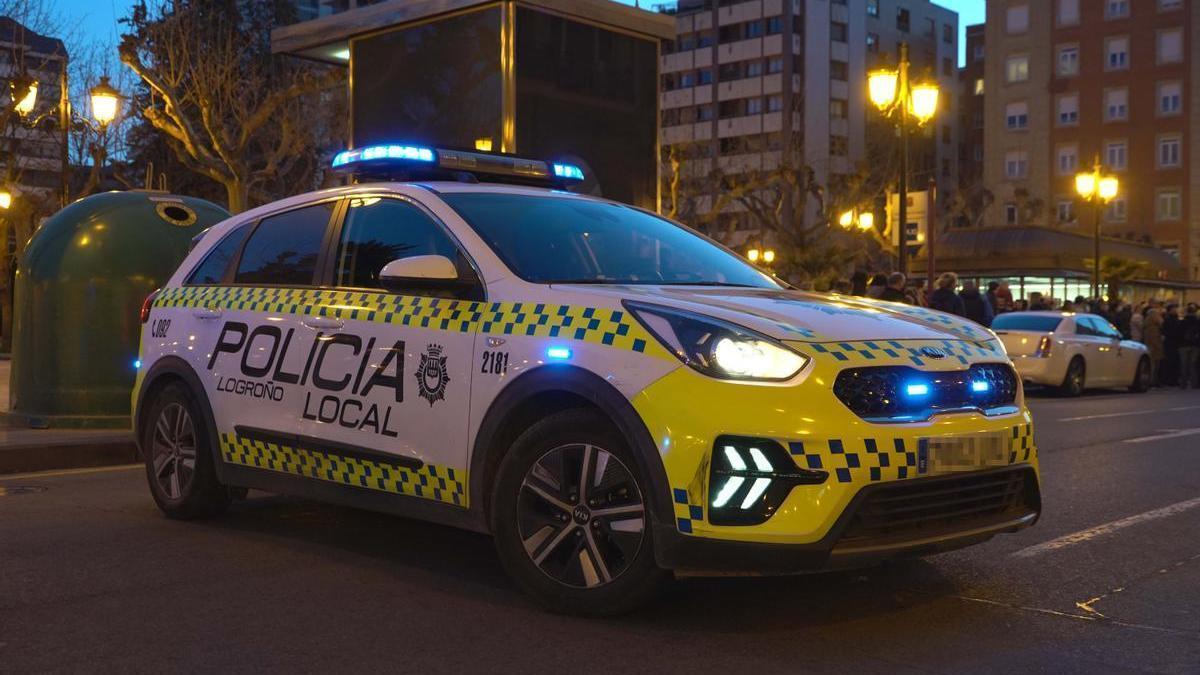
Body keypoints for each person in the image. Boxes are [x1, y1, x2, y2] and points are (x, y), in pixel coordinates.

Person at [1178, 305, 1200, 389]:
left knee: (1184, 365)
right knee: (1193, 364)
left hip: (1183, 345)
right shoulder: (1197, 322)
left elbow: (1178, 333)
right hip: (1195, 346)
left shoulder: (1183, 322)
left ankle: (1183, 383)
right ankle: (1194, 383)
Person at [1143, 308, 1165, 386]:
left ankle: (1152, 381)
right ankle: (1152, 381)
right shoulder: (1153, 329)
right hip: (1154, 349)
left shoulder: (1147, 326)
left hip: (1151, 348)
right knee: (1154, 365)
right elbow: (1155, 341)